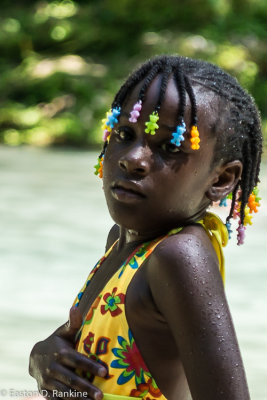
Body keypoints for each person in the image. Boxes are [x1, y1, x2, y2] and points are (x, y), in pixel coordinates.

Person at [29, 55, 262, 400]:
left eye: (169, 147)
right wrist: (43, 358)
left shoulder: (179, 257)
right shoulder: (124, 243)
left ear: (222, 179)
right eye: (125, 133)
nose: (133, 158)